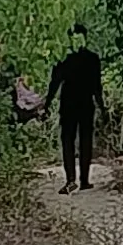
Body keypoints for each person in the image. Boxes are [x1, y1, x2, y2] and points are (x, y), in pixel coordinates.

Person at [42, 31, 106, 191]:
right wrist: (102, 107)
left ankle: (71, 179)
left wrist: (47, 105)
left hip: (68, 104)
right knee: (86, 141)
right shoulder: (92, 58)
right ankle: (84, 180)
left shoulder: (63, 58)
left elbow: (55, 83)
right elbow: (97, 86)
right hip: (86, 104)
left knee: (67, 141)